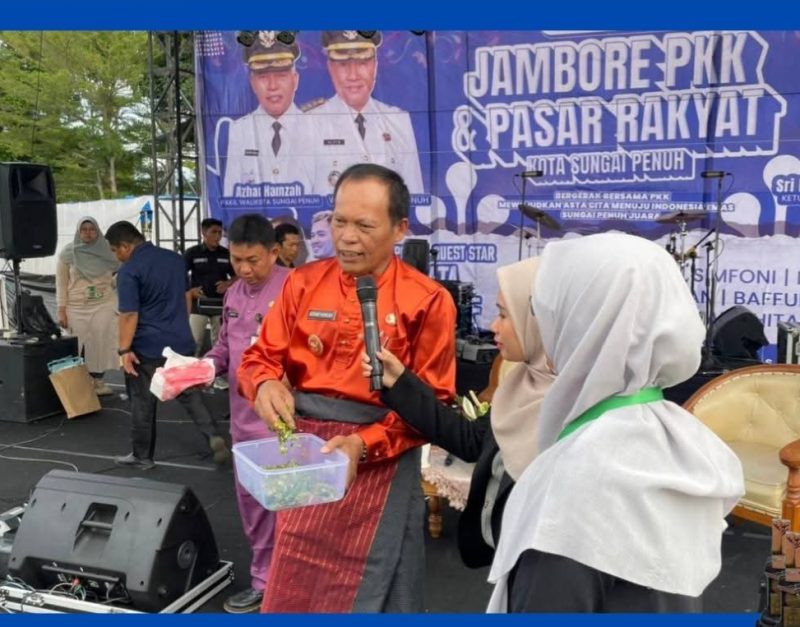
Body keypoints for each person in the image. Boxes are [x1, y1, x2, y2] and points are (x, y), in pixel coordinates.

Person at [486, 233, 745, 613]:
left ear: (586, 322)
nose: (543, 327)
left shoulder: (574, 488)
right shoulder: (677, 441)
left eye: (549, 311)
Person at [238, 163, 456, 612]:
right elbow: (259, 357)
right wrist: (262, 385)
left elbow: (434, 406)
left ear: (400, 229)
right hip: (308, 458)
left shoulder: (429, 300)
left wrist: (365, 444)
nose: (347, 237)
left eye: (364, 225)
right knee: (298, 579)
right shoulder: (303, 283)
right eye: (339, 221)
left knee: (380, 583)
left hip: (379, 459)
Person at [363, 257, 553, 569]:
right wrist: (400, 383)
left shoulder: (579, 408)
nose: (493, 326)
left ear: (540, 319)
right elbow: (472, 440)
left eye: (505, 315)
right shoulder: (520, 381)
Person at [205, 214, 290, 613]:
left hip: (286, 424)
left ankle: (291, 585)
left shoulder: (297, 289)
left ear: (274, 252)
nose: (244, 269)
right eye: (237, 260)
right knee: (253, 507)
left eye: (253, 260)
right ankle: (264, 581)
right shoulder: (234, 294)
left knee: (291, 508)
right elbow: (225, 347)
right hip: (242, 423)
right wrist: (204, 366)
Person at [105, 221, 231, 470]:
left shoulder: (130, 271)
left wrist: (124, 350)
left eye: (114, 250)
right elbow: (187, 297)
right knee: (190, 395)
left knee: (142, 401)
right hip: (179, 340)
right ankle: (214, 438)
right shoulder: (174, 260)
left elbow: (129, 315)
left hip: (146, 347)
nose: (115, 256)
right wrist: (179, 327)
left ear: (125, 246)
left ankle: (143, 456)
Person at [311, 31, 424, 197]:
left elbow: (414, 197)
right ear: (330, 68)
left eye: (362, 62)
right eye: (343, 65)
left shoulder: (398, 120)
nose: (353, 75)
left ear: (375, 65)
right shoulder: (310, 123)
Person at [224, 31, 316, 196]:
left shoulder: (316, 128)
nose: (272, 86)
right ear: (253, 83)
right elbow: (231, 195)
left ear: (295, 80)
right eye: (263, 76)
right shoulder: (239, 130)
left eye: (281, 75)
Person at [55, 217, 119, 396]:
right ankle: (79, 383)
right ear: (78, 231)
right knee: (76, 345)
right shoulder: (68, 253)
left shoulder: (108, 251)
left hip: (103, 304)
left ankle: (98, 382)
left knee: (100, 343)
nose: (88, 233)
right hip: (75, 306)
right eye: (84, 229)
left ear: (98, 231)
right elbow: (61, 283)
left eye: (92, 229)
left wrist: (111, 285)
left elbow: (125, 269)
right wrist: (61, 310)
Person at [184, 218, 234, 357]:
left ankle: (216, 376)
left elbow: (238, 276)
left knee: (220, 344)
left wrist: (227, 284)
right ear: (203, 232)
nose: (217, 236)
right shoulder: (192, 252)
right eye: (213, 232)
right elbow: (178, 275)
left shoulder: (226, 253)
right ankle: (190, 376)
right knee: (194, 343)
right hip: (198, 305)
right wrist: (190, 290)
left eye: (220, 233)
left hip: (220, 305)